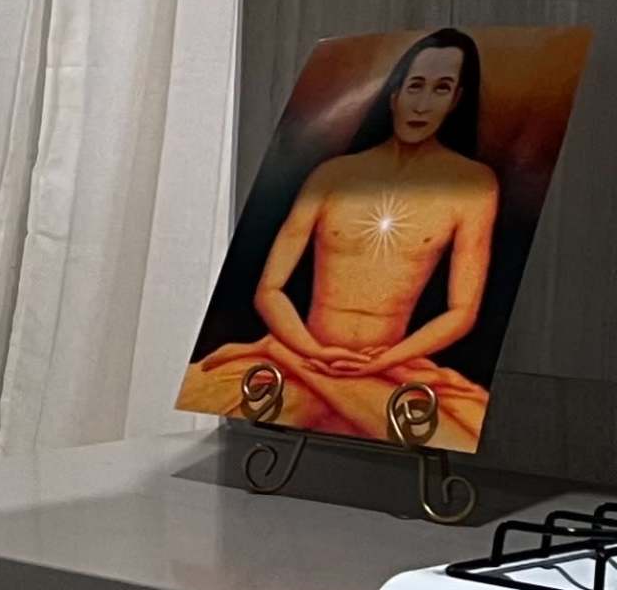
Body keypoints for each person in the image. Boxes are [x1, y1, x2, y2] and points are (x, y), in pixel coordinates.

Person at [183, 27, 498, 446]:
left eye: (441, 89)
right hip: (298, 356)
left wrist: (385, 360)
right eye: (415, 86)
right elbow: (270, 289)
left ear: (456, 100)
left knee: (448, 429)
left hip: (391, 367)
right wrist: (314, 353)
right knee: (210, 388)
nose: (422, 104)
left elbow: (462, 311)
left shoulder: (473, 186)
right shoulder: (333, 175)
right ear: (394, 94)